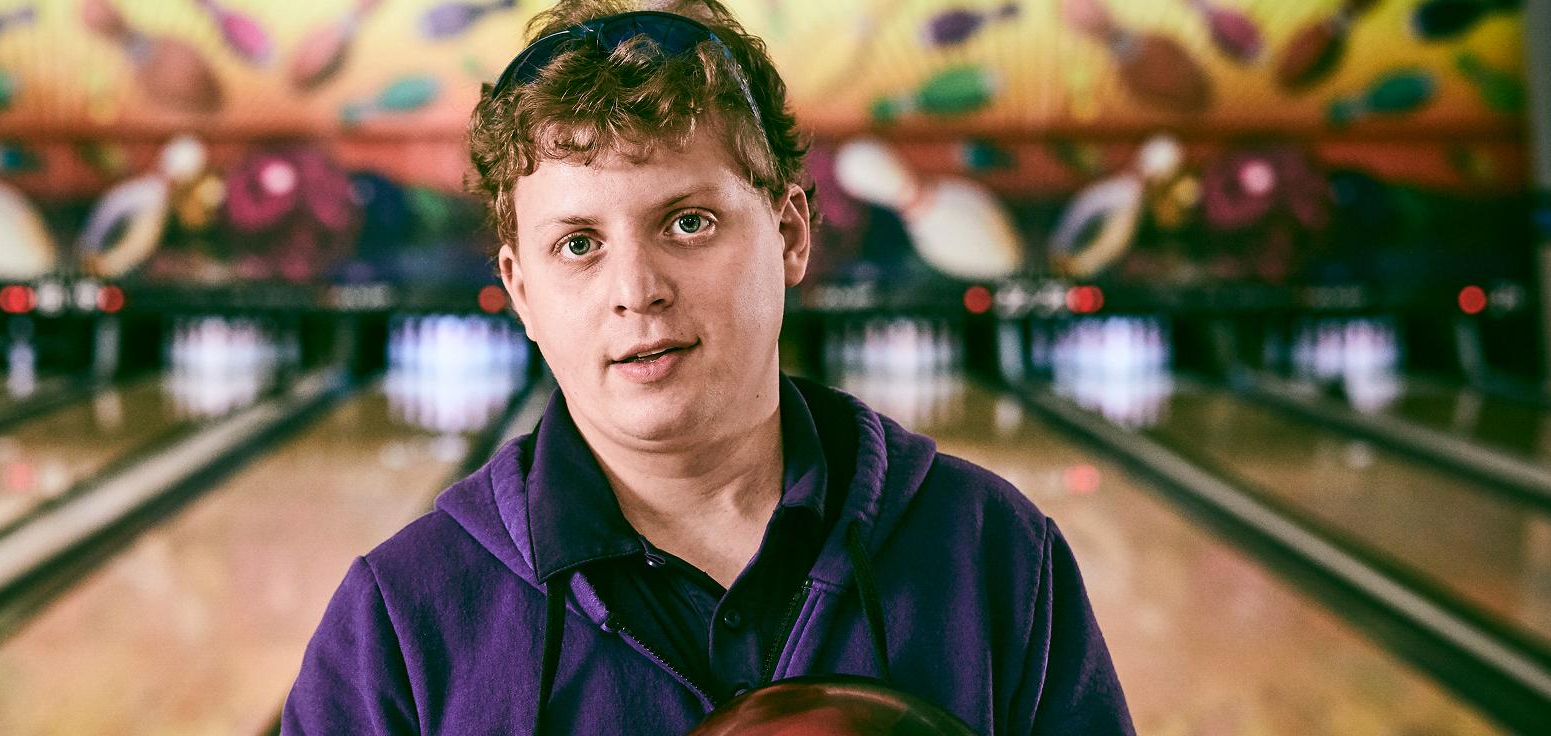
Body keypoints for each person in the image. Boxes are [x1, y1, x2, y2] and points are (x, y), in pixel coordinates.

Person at [283, 1, 1133, 733]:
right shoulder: (399, 622)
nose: (637, 291)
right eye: (578, 245)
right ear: (522, 291)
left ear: (791, 233)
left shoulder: (994, 555)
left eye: (688, 223)